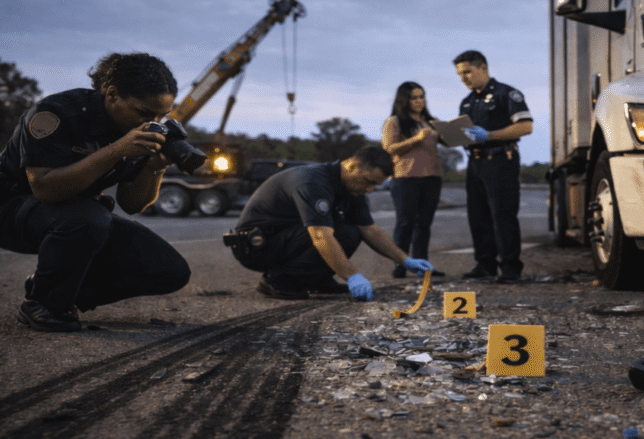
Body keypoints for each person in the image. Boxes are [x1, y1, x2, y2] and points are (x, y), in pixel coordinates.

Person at [0, 52, 192, 332]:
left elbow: (132, 204)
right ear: (112, 94)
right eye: (144, 113)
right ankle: (45, 304)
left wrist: (154, 168)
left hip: (75, 215)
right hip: (3, 208)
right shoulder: (57, 114)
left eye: (161, 115)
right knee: (90, 217)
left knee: (170, 270)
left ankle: (59, 289)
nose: (153, 121)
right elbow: (46, 189)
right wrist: (116, 150)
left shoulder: (138, 131)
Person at [225, 146, 434, 301]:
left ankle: (316, 280)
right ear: (352, 166)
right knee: (333, 232)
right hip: (256, 246)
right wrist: (352, 276)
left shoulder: (353, 188)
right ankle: (277, 280)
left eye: (375, 185)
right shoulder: (313, 182)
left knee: (350, 233)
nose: (370, 190)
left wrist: (405, 260)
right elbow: (320, 236)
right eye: (369, 181)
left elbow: (370, 230)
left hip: (284, 238)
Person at [453, 50, 533, 284]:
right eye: (460, 74)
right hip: (475, 161)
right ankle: (485, 263)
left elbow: (525, 126)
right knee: (477, 215)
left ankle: (510, 267)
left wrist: (489, 135)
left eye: (468, 72)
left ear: (483, 68)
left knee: (502, 214)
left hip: (500, 159)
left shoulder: (506, 94)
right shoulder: (467, 102)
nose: (464, 78)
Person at [381, 82, 445, 279]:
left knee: (424, 224)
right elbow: (389, 148)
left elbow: (449, 142)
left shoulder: (430, 121)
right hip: (405, 178)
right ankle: (400, 264)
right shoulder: (394, 121)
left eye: (421, 96)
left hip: (432, 178)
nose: (419, 101)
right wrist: (416, 138)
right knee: (405, 222)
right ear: (404, 100)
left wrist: (447, 131)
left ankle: (422, 266)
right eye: (414, 98)